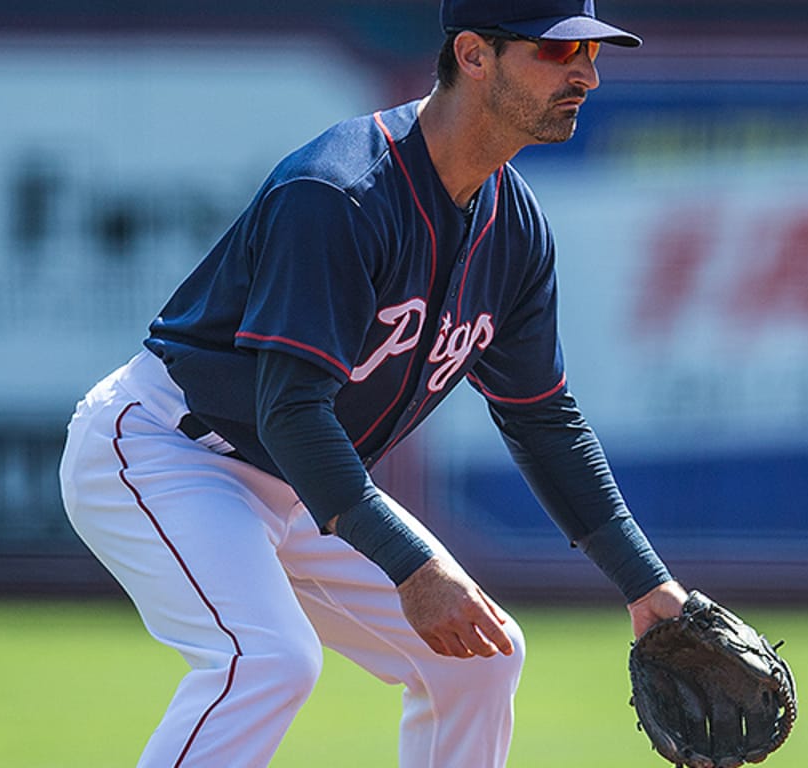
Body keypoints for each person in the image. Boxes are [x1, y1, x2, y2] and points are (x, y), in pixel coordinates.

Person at [57, 1, 688, 766]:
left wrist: (647, 587)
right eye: (558, 53)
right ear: (474, 55)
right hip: (168, 448)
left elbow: (543, 421)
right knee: (267, 660)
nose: (586, 74)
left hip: (301, 481)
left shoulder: (515, 231)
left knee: (482, 658)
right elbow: (289, 409)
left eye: (593, 53)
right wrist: (411, 567)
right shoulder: (340, 191)